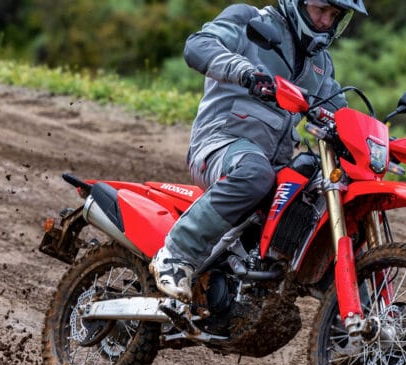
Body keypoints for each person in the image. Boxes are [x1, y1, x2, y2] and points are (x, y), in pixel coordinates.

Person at [151, 0, 367, 301]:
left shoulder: (320, 63)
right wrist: (246, 73)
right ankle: (176, 254)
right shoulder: (250, 21)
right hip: (219, 143)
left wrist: (373, 141)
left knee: (320, 194)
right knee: (255, 172)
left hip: (272, 165)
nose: (325, 22)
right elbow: (198, 46)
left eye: (335, 16)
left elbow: (340, 113)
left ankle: (355, 314)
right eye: (321, 10)